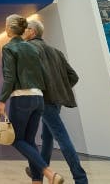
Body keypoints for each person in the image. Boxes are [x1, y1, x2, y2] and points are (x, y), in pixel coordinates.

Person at [0, 14, 64, 184]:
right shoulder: (33, 48)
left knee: (16, 139)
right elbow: (43, 74)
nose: (5, 28)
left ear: (11, 28)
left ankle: (50, 173)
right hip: (38, 98)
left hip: (22, 98)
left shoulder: (8, 48)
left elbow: (9, 77)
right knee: (29, 142)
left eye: (6, 25)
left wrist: (2, 100)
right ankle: (37, 180)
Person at [23, 19, 88, 184]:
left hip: (43, 100)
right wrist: (59, 90)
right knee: (48, 136)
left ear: (33, 32)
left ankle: (80, 178)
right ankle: (37, 172)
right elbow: (73, 76)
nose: (23, 31)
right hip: (56, 100)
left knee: (61, 137)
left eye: (26, 28)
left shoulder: (29, 48)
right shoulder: (56, 52)